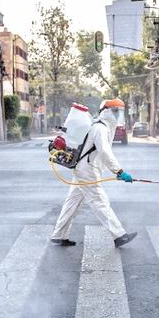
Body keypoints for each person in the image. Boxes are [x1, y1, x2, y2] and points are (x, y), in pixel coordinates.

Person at [50, 98, 137, 248]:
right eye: (116, 112)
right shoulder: (100, 128)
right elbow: (105, 152)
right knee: (100, 201)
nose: (118, 116)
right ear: (107, 112)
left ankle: (59, 234)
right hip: (87, 171)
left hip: (84, 168)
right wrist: (119, 171)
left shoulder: (102, 127)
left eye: (120, 112)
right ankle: (119, 235)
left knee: (72, 202)